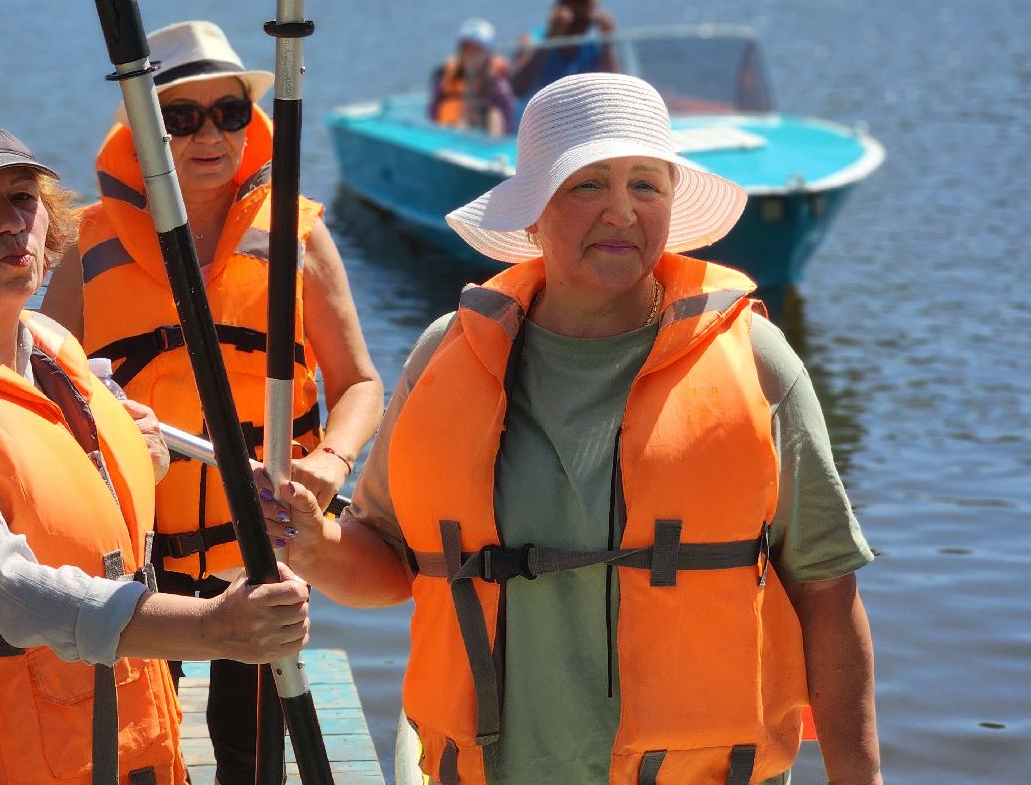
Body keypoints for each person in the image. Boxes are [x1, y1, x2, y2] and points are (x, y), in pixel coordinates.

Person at [260, 74, 882, 785]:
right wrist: (312, 543)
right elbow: (388, 563)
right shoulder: (445, 355)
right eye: (587, 184)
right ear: (529, 214)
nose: (621, 211)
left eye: (646, 185)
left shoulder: (757, 361)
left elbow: (829, 592)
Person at [0, 102, 310, 784]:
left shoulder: (56, 349)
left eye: (21, 197)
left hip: (113, 748)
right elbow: (0, 585)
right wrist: (213, 628)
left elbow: (83, 498)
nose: (10, 221)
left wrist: (139, 455)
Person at [41, 21, 383, 785]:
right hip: (138, 548)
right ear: (141, 128)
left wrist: (328, 464)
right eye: (181, 117)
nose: (209, 135)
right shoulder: (85, 247)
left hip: (260, 538)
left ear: (251, 123)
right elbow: (43, 393)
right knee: (139, 747)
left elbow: (360, 383)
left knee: (252, 752)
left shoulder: (297, 233)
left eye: (228, 113)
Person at [511, 0, 619, 99]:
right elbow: (516, 88)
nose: (580, 27)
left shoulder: (593, 46)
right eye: (576, 20)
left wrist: (607, 41)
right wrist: (551, 38)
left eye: (586, 20)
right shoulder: (531, 40)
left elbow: (612, 89)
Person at [428, 18, 516, 136]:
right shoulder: (446, 77)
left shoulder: (498, 85)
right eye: (466, 48)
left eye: (476, 50)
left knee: (494, 114)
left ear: (488, 53)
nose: (471, 55)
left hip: (481, 139)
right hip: (446, 135)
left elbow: (506, 122)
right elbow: (433, 113)